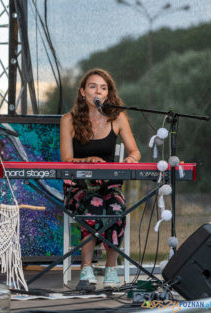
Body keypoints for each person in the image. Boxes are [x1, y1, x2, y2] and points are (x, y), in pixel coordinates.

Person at [60, 68, 141, 289]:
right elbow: (66, 159)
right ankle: (86, 269)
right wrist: (88, 159)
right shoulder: (69, 120)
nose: (99, 91)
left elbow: (135, 151)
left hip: (109, 184)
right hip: (78, 185)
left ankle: (110, 268)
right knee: (92, 207)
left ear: (108, 94)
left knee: (116, 209)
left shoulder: (117, 118)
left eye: (103, 87)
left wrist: (131, 159)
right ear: (83, 92)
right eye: (93, 86)